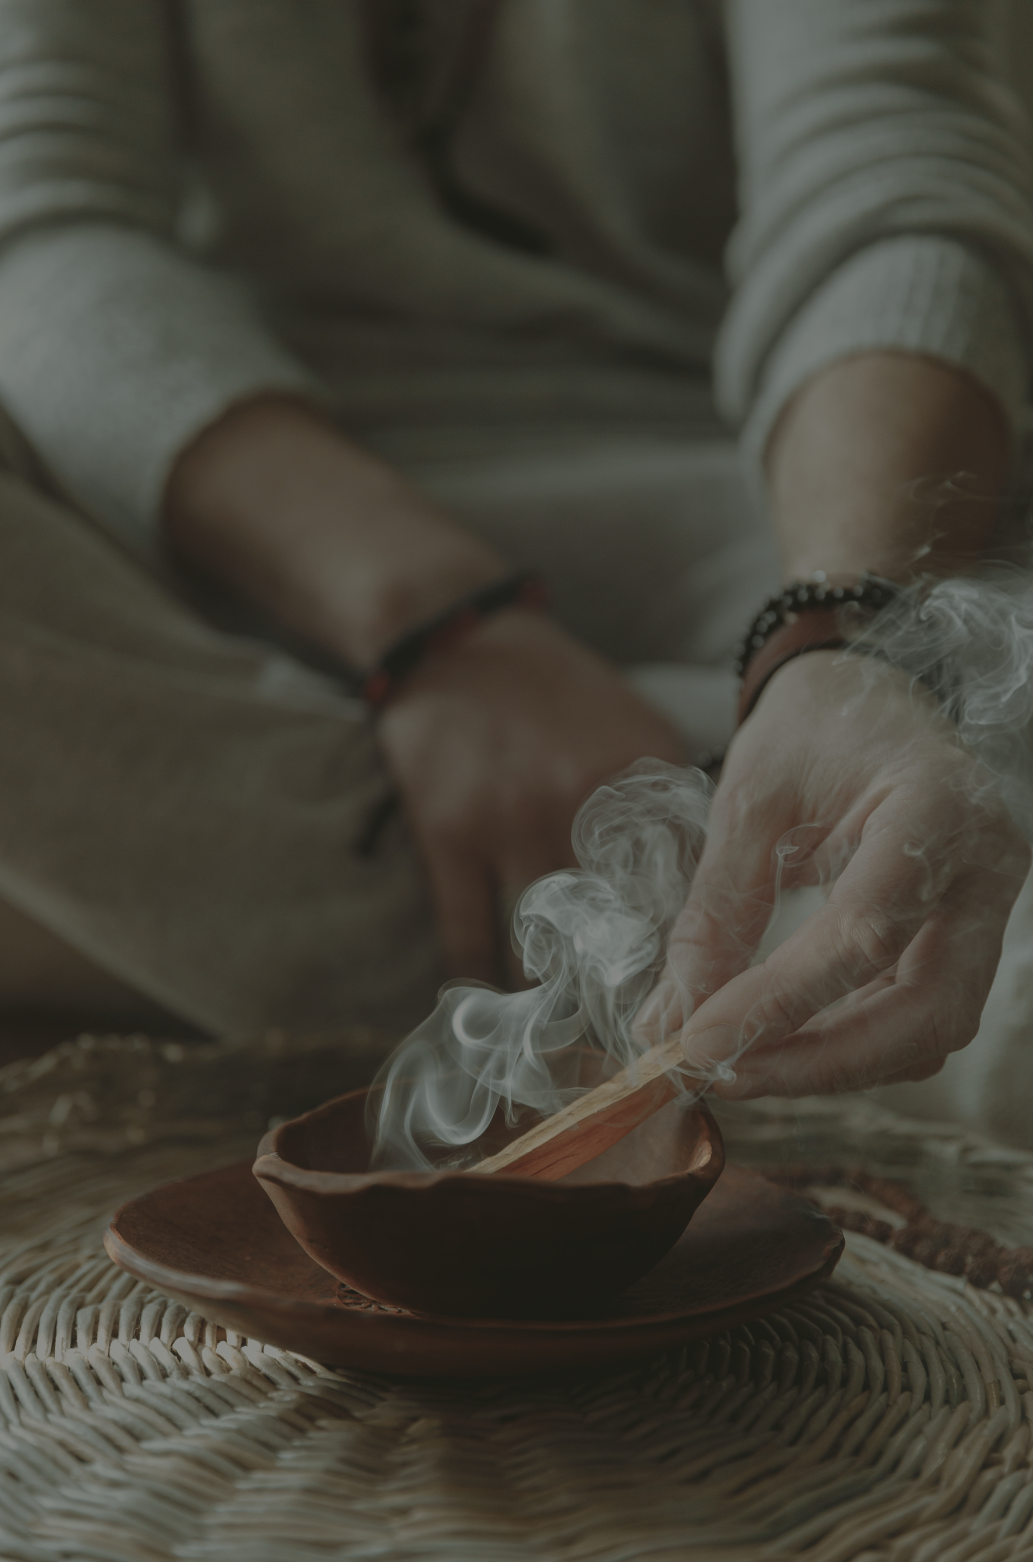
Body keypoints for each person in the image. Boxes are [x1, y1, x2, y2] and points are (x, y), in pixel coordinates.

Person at [0, 0, 1030, 1107]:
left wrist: (840, 641)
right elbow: (47, 224)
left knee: (975, 663)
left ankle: (202, 930)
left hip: (776, 498)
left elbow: (889, 188)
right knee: (972, 869)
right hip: (243, 521)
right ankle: (793, 976)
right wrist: (447, 624)